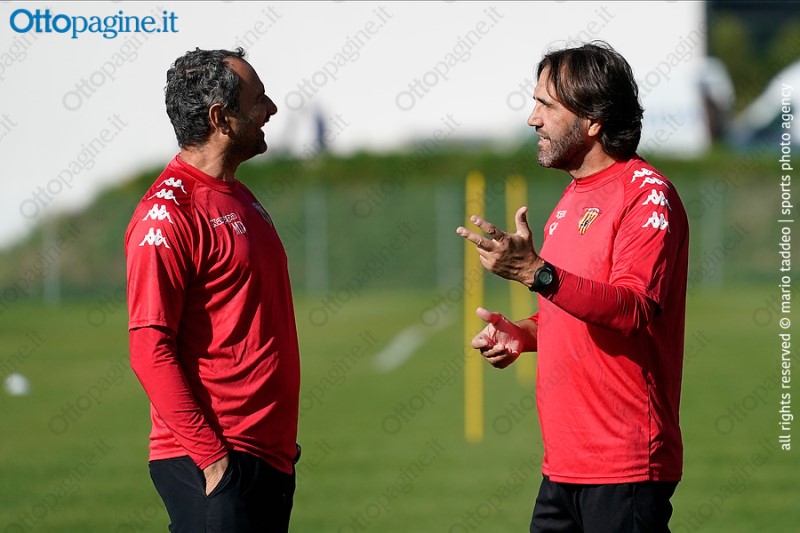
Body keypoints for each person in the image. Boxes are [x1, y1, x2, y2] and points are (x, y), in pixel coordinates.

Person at [457, 41, 689, 533]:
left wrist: (535, 272)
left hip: (624, 466)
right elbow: (570, 308)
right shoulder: (570, 199)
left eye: (546, 105)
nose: (532, 119)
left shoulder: (646, 194)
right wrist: (521, 334)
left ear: (593, 120)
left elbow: (632, 308)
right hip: (563, 468)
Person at [125, 47, 300, 532]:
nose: (271, 109)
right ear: (221, 118)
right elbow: (149, 349)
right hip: (214, 460)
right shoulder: (166, 214)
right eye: (258, 99)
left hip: (266, 458)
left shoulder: (239, 194)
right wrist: (214, 461)